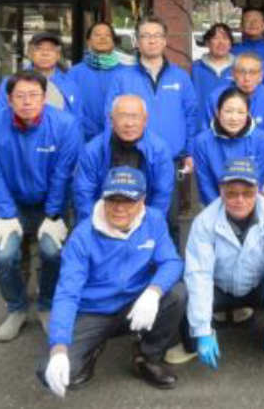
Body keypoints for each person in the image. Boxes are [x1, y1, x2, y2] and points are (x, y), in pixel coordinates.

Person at [41, 168, 187, 396]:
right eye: (112, 199)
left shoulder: (154, 220)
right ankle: (92, 347)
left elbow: (172, 262)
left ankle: (146, 358)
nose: (119, 208)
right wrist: (58, 348)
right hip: (94, 311)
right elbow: (67, 292)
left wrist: (153, 292)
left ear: (142, 200)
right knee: (54, 373)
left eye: (128, 200)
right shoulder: (82, 235)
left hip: (135, 304)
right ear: (103, 197)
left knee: (177, 294)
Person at [0, 71, 82, 341]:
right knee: (4, 255)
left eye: (34, 95)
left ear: (44, 97)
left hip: (51, 203)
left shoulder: (65, 124)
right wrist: (6, 213)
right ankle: (16, 309)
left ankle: (47, 306)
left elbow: (63, 173)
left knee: (52, 253)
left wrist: (53, 214)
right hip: (12, 204)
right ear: (9, 98)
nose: (27, 101)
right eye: (20, 96)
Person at [184, 157, 264, 368]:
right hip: (218, 288)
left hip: (256, 285)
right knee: (184, 288)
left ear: (259, 190)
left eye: (248, 193)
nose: (239, 199)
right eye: (232, 193)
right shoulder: (203, 222)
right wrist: (202, 330)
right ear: (221, 191)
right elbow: (200, 276)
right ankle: (192, 342)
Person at [106, 15, 199, 223]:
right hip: (131, 159)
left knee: (168, 222)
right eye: (145, 36)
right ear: (137, 42)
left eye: (157, 35)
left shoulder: (180, 77)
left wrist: (189, 152)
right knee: (129, 220)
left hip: (171, 160)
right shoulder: (122, 77)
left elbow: (191, 116)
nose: (152, 40)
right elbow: (109, 117)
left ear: (165, 41)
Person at [72, 94, 173, 223]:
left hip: (144, 219)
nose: (129, 123)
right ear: (111, 119)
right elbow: (84, 196)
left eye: (135, 116)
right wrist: (98, 227)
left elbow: (162, 196)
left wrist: (147, 229)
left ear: (146, 120)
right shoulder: (93, 151)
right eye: (122, 116)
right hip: (103, 217)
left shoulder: (160, 150)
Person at [193, 87, 264, 206]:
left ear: (248, 113)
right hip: (213, 205)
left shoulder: (261, 140)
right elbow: (205, 185)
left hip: (249, 203)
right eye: (228, 111)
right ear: (217, 112)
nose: (234, 118)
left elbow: (258, 181)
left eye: (240, 112)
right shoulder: (202, 142)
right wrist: (221, 212)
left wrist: (241, 208)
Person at [0, 32, 83, 126]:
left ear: (58, 56)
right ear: (30, 54)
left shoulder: (69, 83)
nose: (45, 53)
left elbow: (78, 119)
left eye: (51, 49)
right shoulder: (11, 82)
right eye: (39, 48)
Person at [207, 53, 264, 150]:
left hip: (256, 157)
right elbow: (209, 134)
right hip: (221, 154)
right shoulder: (216, 97)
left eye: (253, 72)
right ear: (233, 74)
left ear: (261, 76)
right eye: (242, 72)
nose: (247, 78)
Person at [69, 21, 127, 140]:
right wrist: (90, 131)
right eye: (97, 35)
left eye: (107, 35)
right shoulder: (74, 73)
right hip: (83, 138)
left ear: (114, 41)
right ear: (88, 41)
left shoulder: (126, 73)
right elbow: (70, 107)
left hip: (118, 139)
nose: (102, 38)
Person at [191, 23, 235, 125]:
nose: (221, 43)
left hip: (232, 127)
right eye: (216, 38)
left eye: (225, 38)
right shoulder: (194, 68)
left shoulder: (239, 68)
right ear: (207, 43)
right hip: (201, 127)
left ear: (231, 43)